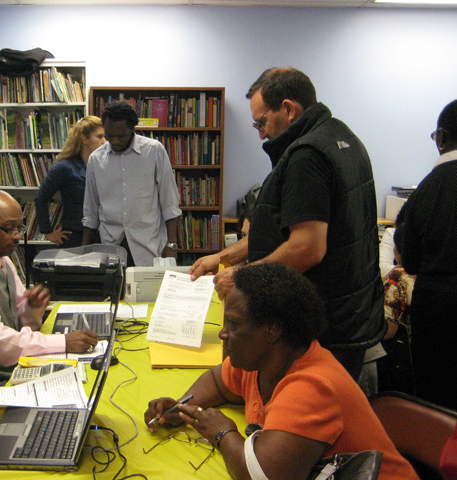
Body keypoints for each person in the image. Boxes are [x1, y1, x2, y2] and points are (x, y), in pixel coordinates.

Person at [189, 68, 385, 380]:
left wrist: (242, 275)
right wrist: (225, 258)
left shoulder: (307, 155)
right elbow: (286, 232)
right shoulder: (342, 137)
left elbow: (306, 247)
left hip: (327, 327)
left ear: (288, 109)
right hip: (354, 315)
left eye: (260, 122)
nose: (261, 134)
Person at [145, 263, 418, 480]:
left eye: (234, 324)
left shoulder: (312, 385)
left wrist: (222, 432)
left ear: (272, 330)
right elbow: (218, 382)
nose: (222, 333)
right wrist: (181, 408)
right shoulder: (260, 360)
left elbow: (261, 475)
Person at [0, 189, 98, 414]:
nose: (17, 236)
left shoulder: (4, 261)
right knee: (70, 406)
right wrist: (62, 343)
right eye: (8, 228)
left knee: (87, 384)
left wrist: (31, 309)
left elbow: (25, 326)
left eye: (19, 228)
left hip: (15, 369)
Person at [402, 99, 457, 409]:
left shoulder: (427, 189)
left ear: (442, 137)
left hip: (437, 308)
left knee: (436, 401)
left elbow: (409, 260)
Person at [82, 101, 181, 266]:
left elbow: (169, 203)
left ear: (132, 129)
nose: (115, 141)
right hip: (111, 244)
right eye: (110, 136)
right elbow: (90, 211)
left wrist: (171, 244)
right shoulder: (96, 160)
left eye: (121, 136)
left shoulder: (154, 151)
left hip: (148, 244)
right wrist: (84, 251)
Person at [35, 115, 106, 248]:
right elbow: (41, 198)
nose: (104, 141)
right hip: (74, 236)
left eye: (105, 137)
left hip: (102, 234)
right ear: (84, 139)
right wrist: (48, 231)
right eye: (99, 137)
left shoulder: (104, 166)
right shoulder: (65, 167)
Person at [376, 225, 416, 394]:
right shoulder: (429, 275)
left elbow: (388, 331)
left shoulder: (397, 278)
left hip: (405, 369)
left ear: (396, 249)